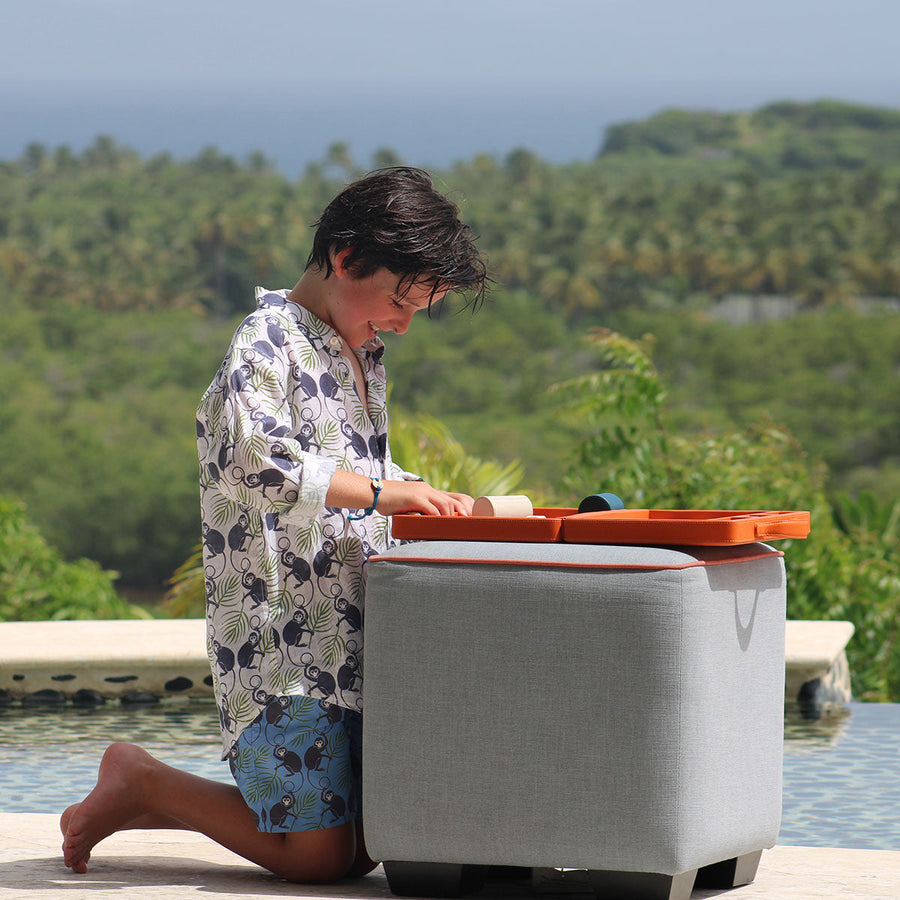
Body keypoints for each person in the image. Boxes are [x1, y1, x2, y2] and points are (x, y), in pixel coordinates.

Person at [60, 167, 489, 882]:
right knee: (319, 858)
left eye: (421, 308)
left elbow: (352, 471)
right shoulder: (267, 338)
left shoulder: (363, 355)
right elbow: (255, 460)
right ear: (346, 259)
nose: (404, 322)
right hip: (280, 645)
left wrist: (431, 498)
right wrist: (391, 494)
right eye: (397, 301)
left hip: (348, 637)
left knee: (363, 850)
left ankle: (148, 794)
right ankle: (141, 778)